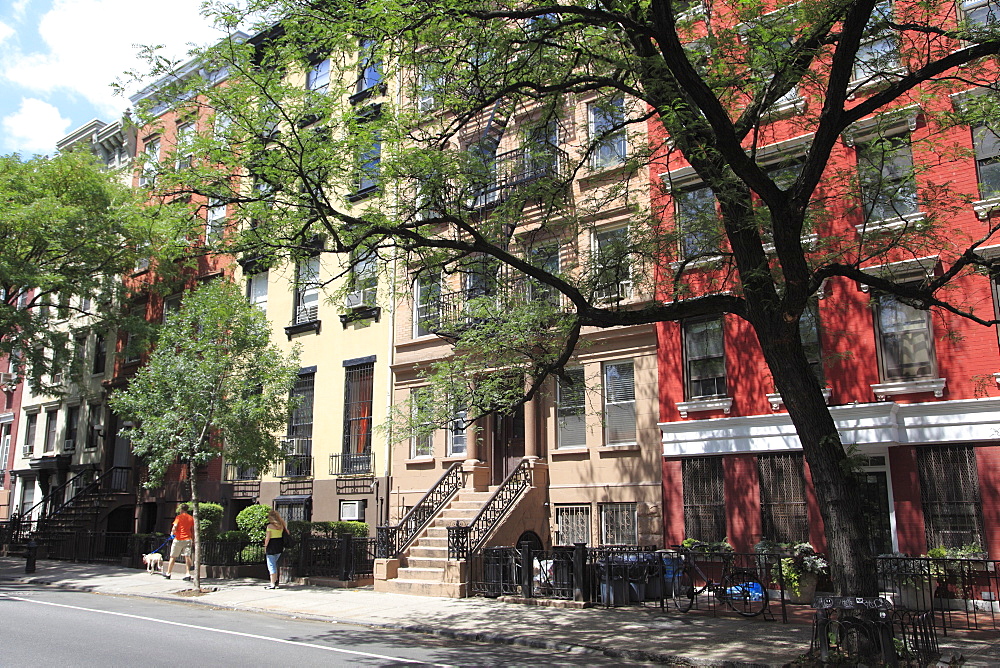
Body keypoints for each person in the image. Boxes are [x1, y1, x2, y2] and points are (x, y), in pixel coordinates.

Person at [163, 503, 194, 581]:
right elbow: (192, 530)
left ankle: (168, 573)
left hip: (178, 539)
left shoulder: (178, 517)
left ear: (181, 509)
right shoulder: (191, 518)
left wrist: (172, 533)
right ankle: (188, 574)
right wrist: (192, 539)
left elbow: (175, 527)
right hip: (187, 539)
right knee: (187, 556)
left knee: (173, 556)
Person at [263, 509, 288, 590]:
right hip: (279, 546)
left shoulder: (269, 526)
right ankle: (276, 582)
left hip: (271, 546)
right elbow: (288, 533)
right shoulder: (282, 525)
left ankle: (272, 584)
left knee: (271, 565)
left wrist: (265, 547)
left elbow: (267, 538)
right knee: (276, 564)